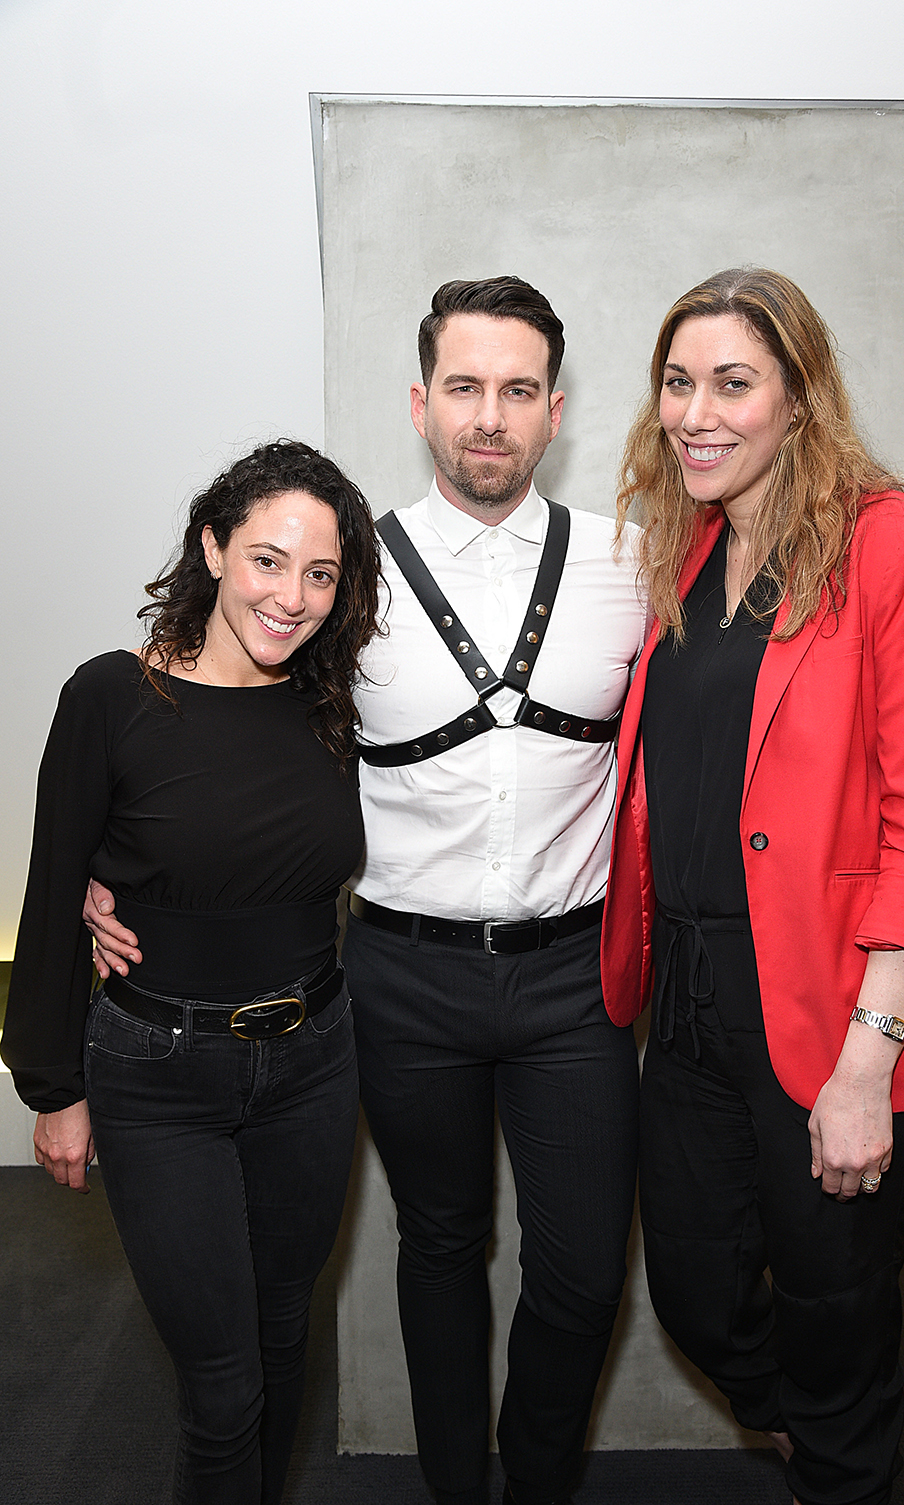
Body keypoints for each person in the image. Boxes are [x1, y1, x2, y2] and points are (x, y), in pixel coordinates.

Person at [87, 277, 649, 1505]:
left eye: (516, 391)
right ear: (419, 402)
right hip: (397, 977)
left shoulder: (631, 560)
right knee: (438, 1247)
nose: (487, 417)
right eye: (463, 387)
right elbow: (208, 719)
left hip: (574, 975)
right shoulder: (344, 577)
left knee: (583, 1275)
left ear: (554, 410)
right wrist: (98, 858)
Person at [601, 267, 904, 1505]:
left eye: (733, 382)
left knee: (837, 1314)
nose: (696, 412)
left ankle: (840, 1457)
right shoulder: (686, 554)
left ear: (800, 398)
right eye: (677, 381)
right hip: (694, 998)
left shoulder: (899, 545)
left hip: (835, 1005)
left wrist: (864, 1066)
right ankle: (803, 1426)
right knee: (695, 1295)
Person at [2, 439, 381, 1505]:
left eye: (320, 574)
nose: (292, 596)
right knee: (220, 1383)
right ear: (213, 546)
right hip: (156, 1074)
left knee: (279, 1338)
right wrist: (55, 1085)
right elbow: (48, 885)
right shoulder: (110, 697)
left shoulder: (331, 707)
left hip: (313, 1062)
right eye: (268, 559)